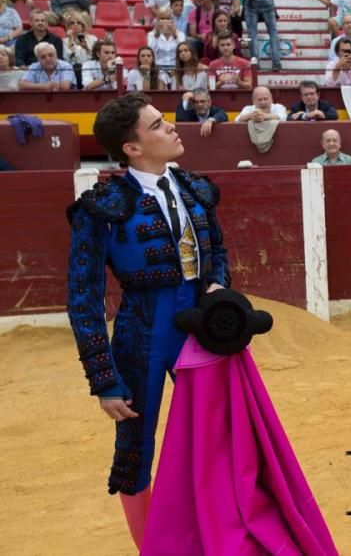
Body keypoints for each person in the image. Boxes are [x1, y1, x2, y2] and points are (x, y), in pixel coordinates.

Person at [66, 92, 230, 549]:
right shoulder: (103, 205)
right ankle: (153, 547)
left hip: (200, 329)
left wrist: (217, 285)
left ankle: (216, 538)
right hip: (142, 333)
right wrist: (103, 377)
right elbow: (84, 296)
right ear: (132, 148)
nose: (172, 127)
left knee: (217, 440)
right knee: (134, 450)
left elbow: (216, 252)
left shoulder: (196, 189)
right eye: (157, 125)